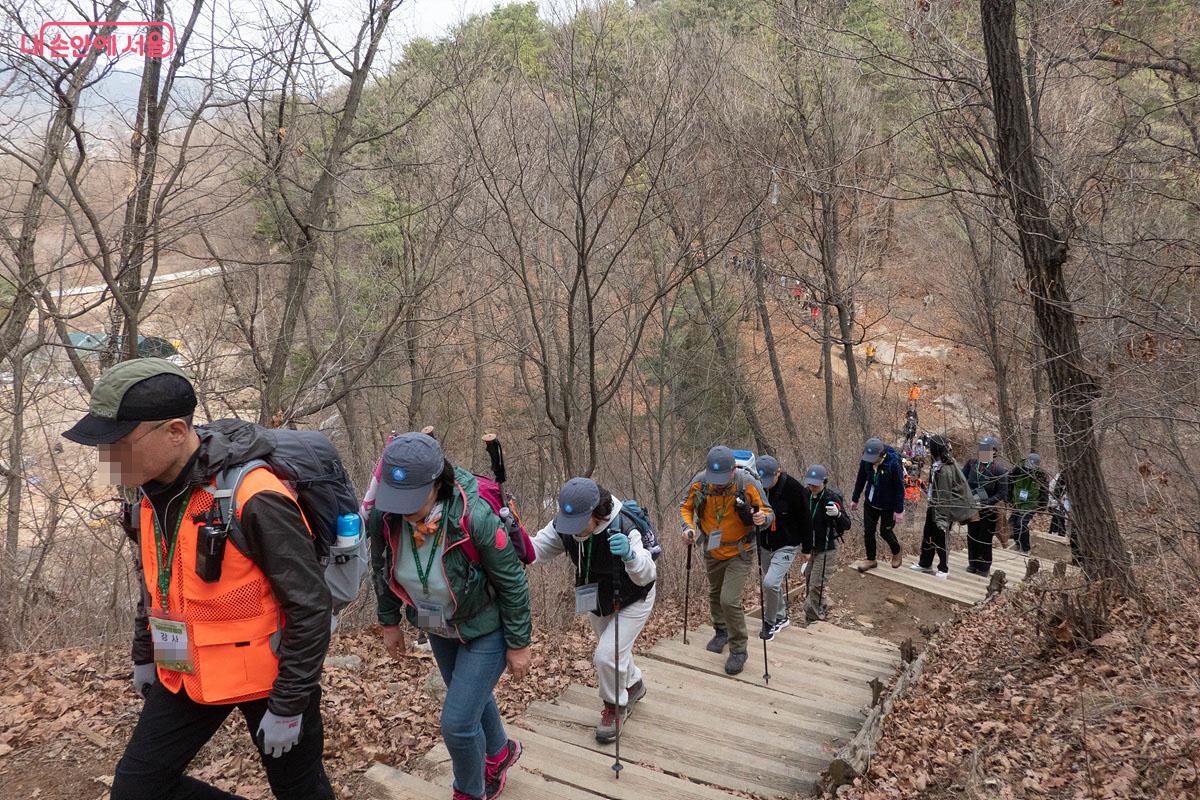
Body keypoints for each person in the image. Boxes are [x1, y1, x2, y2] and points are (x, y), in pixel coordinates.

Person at [62, 359, 335, 800]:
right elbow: (155, 582)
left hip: (271, 675)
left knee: (300, 790)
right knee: (137, 790)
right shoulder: (148, 492)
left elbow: (310, 606)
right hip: (185, 667)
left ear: (175, 431)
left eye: (118, 444)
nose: (106, 459)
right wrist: (145, 652)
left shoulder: (255, 496)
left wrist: (289, 704)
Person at [367, 432, 531, 800]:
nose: (404, 509)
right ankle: (500, 753)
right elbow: (381, 567)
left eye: (412, 499)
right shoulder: (385, 516)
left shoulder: (474, 517)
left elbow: (513, 582)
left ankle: (469, 792)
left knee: (457, 724)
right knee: (469, 698)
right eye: (397, 499)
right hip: (437, 624)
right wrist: (389, 621)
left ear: (437, 484)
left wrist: (519, 643)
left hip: (485, 624)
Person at [529, 478, 656, 743]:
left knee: (606, 656)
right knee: (614, 652)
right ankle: (634, 683)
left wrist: (631, 557)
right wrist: (512, 539)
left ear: (596, 514)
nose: (573, 530)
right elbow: (537, 549)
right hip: (598, 597)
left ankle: (615, 707)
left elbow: (647, 573)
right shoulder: (566, 524)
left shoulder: (625, 526)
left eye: (579, 523)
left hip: (634, 596)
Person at [680, 445, 773, 675]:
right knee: (715, 593)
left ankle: (739, 649)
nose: (719, 483)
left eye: (723, 478)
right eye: (715, 478)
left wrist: (762, 518)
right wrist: (688, 528)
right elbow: (685, 507)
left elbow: (768, 512)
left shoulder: (747, 483)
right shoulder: (700, 483)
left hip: (740, 551)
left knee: (729, 600)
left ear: (733, 470)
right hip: (712, 549)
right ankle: (721, 631)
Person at [755, 455, 810, 641]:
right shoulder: (755, 487)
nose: (765, 485)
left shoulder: (795, 489)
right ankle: (781, 616)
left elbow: (805, 520)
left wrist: (807, 549)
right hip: (765, 543)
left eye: (768, 480)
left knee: (770, 583)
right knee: (772, 582)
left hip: (787, 544)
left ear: (778, 472)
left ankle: (769, 622)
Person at [911, 434, 976, 579]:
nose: (928, 450)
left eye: (930, 448)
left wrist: (941, 520)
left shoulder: (945, 470)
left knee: (941, 536)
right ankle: (925, 563)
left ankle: (943, 568)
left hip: (943, 509)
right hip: (933, 504)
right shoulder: (938, 465)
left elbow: (944, 496)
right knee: (928, 533)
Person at [798, 465, 851, 623]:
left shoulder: (831, 498)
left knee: (816, 584)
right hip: (810, 546)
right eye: (810, 484)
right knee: (809, 579)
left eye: (816, 484)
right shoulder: (805, 494)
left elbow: (846, 524)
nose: (812, 487)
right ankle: (819, 606)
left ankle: (814, 618)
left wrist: (838, 514)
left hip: (827, 547)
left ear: (824, 482)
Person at [850, 437, 905, 572]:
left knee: (885, 532)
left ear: (881, 454)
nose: (870, 461)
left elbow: (899, 488)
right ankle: (871, 559)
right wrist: (855, 498)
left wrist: (899, 510)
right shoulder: (866, 461)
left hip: (888, 505)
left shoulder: (893, 463)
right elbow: (861, 479)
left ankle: (896, 551)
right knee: (868, 531)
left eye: (873, 458)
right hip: (871, 502)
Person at [962, 436, 1009, 576]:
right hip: (972, 507)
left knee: (985, 538)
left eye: (987, 449)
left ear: (994, 451)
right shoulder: (972, 464)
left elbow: (1002, 493)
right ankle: (973, 563)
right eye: (982, 448)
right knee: (972, 535)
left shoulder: (999, 470)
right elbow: (962, 480)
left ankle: (983, 567)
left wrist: (987, 502)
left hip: (989, 510)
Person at [1008, 453, 1050, 553]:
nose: (1029, 470)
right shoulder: (1018, 470)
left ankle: (1026, 548)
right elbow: (1009, 483)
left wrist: (1042, 506)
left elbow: (1044, 491)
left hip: (1031, 503)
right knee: (1014, 523)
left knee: (1021, 523)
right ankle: (1018, 543)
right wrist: (1009, 499)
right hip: (1018, 501)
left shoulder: (1041, 475)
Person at [1048, 471, 1075, 560]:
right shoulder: (1060, 477)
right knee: (1056, 524)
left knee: (1068, 530)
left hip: (1070, 511)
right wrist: (1052, 503)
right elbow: (1052, 489)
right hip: (1059, 507)